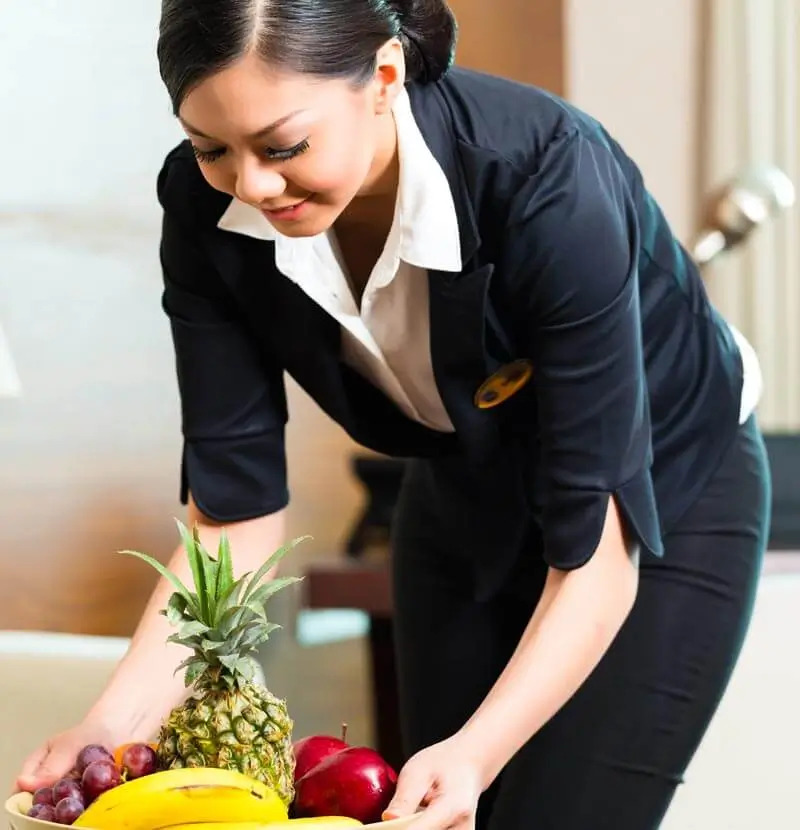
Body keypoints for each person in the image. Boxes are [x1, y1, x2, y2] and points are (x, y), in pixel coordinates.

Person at [17, 1, 771, 827]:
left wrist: (476, 753)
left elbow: (596, 552)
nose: (251, 186)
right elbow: (231, 517)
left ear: (383, 75)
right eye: (210, 148)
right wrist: (109, 727)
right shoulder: (206, 212)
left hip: (662, 494)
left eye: (283, 146)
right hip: (460, 487)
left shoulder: (545, 173)